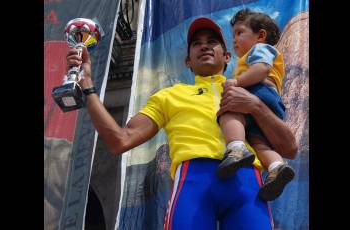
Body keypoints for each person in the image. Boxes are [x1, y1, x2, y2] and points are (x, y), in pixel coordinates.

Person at [65, 17, 297, 230]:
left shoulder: (249, 90)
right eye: (196, 43)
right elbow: (120, 141)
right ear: (188, 60)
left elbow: (289, 148)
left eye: (212, 41)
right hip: (193, 183)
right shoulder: (168, 96)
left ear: (227, 56)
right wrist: (87, 85)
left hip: (247, 184)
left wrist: (255, 105)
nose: (204, 46)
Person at [216, 8, 296, 202]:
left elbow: (261, 70)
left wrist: (237, 82)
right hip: (270, 101)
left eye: (239, 33)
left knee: (228, 111)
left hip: (259, 91)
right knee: (260, 143)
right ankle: (277, 168)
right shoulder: (255, 53)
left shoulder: (260, 49)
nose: (234, 40)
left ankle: (236, 148)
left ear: (260, 35)